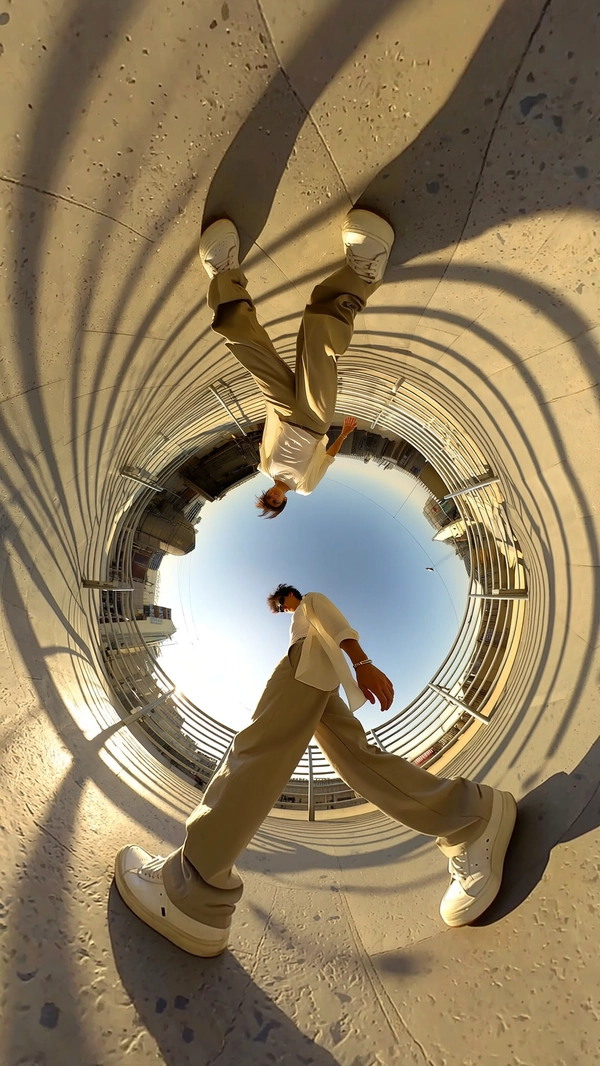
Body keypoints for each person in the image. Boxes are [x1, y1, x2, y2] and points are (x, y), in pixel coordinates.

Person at [114, 585, 517, 957]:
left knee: (258, 750)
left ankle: (190, 891)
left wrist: (363, 662)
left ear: (289, 596)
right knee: (357, 763)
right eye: (282, 607)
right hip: (318, 675)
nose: (284, 609)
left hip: (303, 666)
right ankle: (470, 815)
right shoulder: (299, 624)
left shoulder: (306, 606)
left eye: (283, 604)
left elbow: (325, 611)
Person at [197, 208, 395, 517]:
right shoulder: (305, 487)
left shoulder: (265, 467)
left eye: (269, 498)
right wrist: (342, 433)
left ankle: (225, 280)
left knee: (251, 354)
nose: (274, 496)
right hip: (315, 422)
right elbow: (326, 458)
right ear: (284, 502)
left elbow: (269, 432)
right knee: (319, 348)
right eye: (277, 502)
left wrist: (272, 402)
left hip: (285, 410)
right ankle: (359, 278)